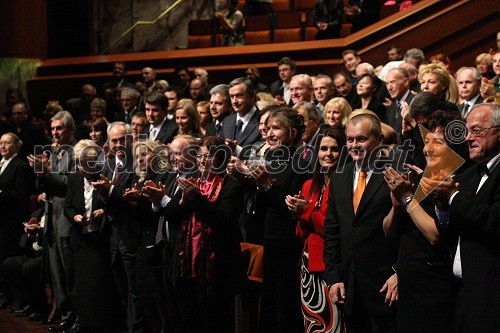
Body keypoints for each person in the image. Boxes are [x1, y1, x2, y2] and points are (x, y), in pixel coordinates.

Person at [382, 111, 469, 333]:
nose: (427, 148)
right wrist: (396, 205)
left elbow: (435, 235)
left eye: (437, 142)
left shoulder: (458, 183)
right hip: (410, 280)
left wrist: (407, 199)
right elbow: (389, 232)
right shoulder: (420, 180)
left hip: (434, 286)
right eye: (426, 141)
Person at [324, 112, 399, 333]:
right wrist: (334, 277)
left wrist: (399, 271)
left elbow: (409, 231)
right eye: (350, 139)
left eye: (362, 139)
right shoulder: (340, 175)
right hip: (349, 288)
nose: (354, 145)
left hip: (386, 287)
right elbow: (333, 230)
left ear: (380, 141)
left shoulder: (396, 173)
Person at [162, 136, 244, 332]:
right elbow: (170, 213)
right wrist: (182, 201)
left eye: (208, 156)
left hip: (217, 268)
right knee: (189, 320)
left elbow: (223, 221)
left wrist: (195, 198)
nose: (202, 160)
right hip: (187, 265)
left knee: (215, 322)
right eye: (200, 156)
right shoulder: (192, 181)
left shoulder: (231, 186)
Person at [432, 103, 500, 332]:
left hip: (491, 296)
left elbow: (494, 221)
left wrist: (453, 197)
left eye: (477, 130)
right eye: (467, 131)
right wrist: (442, 206)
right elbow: (451, 230)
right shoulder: (470, 173)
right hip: (460, 293)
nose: (469, 138)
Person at [250, 108, 310, 332]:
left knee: (285, 306)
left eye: (276, 128)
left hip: (289, 244)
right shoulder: (273, 157)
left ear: (293, 132)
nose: (269, 133)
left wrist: (266, 185)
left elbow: (290, 211)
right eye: (267, 128)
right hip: (269, 241)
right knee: (268, 305)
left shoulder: (302, 162)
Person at [289, 128, 346, 332]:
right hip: (308, 267)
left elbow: (334, 230)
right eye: (323, 149)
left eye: (334, 149)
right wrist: (298, 213)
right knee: (312, 326)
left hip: (331, 267)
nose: (328, 154)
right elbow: (301, 233)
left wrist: (305, 213)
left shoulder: (346, 186)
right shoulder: (308, 185)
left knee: (333, 326)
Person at [64, 139, 123, 332]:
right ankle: (84, 323)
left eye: (90, 164)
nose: (86, 169)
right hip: (81, 240)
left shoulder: (104, 176)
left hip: (100, 240)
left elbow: (115, 203)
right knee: (82, 287)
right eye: (82, 165)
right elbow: (68, 207)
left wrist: (103, 212)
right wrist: (76, 217)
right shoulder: (73, 178)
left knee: (99, 286)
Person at [27, 111, 78, 333]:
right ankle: (66, 316)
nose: (55, 133)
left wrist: (46, 171)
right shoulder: (53, 152)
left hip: (66, 219)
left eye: (60, 128)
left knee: (70, 272)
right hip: (51, 220)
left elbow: (69, 183)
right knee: (57, 274)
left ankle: (77, 318)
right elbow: (45, 187)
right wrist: (40, 173)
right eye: (53, 129)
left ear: (70, 130)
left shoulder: (76, 152)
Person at [123, 140, 171, 332]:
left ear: (157, 155)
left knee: (157, 297)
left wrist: (141, 202)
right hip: (142, 242)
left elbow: (160, 212)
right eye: (137, 156)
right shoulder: (140, 180)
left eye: (144, 154)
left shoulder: (165, 177)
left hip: (159, 245)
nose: (140, 159)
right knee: (143, 294)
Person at [0, 132, 34, 309]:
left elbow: (22, 194)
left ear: (16, 145)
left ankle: (15, 296)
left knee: (8, 255)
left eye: (7, 143)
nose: (3, 146)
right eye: (1, 143)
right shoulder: (2, 164)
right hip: (2, 219)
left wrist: (1, 194)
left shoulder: (20, 166)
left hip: (12, 220)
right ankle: (5, 292)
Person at [221, 77, 262, 156]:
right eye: (232, 97)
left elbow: (261, 154)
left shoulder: (263, 120)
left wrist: (236, 149)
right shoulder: (227, 121)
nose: (234, 101)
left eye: (239, 96)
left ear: (252, 96)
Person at [384, 67, 414, 137]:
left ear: (406, 82)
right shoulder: (390, 107)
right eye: (387, 83)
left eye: (393, 82)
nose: (389, 88)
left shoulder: (415, 102)